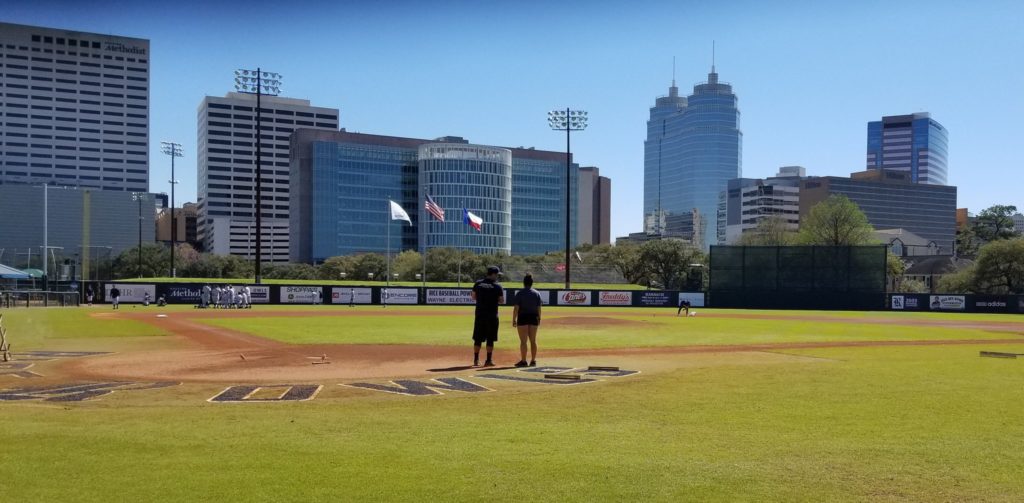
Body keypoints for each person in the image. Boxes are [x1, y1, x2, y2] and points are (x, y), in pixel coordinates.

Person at [470, 266, 504, 367]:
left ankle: (476, 360)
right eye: (497, 275)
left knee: (478, 338)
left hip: (480, 315)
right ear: (493, 274)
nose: (497, 277)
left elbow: (473, 297)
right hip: (492, 315)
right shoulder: (497, 286)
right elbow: (501, 301)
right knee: (490, 338)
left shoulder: (478, 283)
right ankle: (488, 360)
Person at [511, 273, 542, 367]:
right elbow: (539, 308)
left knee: (523, 341)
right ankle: (533, 361)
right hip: (533, 317)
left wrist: (514, 319)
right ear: (532, 283)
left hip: (523, 317)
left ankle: (524, 361)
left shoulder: (520, 293)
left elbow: (516, 308)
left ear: (524, 283)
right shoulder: (537, 293)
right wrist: (539, 318)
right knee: (533, 340)